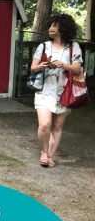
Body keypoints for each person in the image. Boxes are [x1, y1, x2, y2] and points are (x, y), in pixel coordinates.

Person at [31, 14, 83, 168]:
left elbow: (77, 67)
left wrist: (64, 65)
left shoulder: (74, 47)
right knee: (44, 125)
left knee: (57, 127)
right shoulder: (44, 46)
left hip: (64, 91)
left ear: (63, 28)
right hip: (45, 91)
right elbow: (33, 67)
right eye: (51, 25)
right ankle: (44, 151)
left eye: (55, 26)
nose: (51, 29)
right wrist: (41, 66)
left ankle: (51, 156)